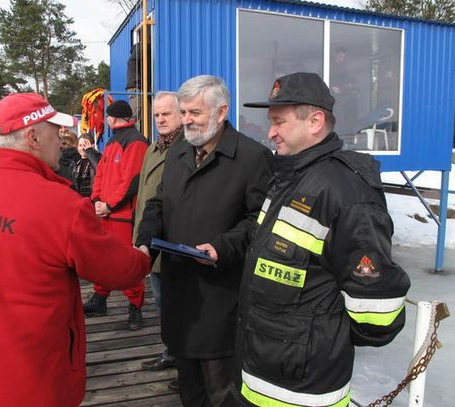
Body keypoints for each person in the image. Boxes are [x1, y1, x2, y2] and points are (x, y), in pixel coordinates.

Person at [0, 92, 150, 407]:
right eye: (56, 132)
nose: (62, 139)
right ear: (33, 137)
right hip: (34, 380)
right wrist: (145, 252)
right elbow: (120, 270)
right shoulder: (61, 206)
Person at [233, 72, 411, 407]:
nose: (270, 132)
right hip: (259, 375)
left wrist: (320, 336)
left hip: (306, 390)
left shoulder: (346, 192)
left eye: (279, 122)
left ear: (315, 121)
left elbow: (379, 315)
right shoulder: (288, 177)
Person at [136, 75, 275, 407]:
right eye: (183, 112)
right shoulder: (178, 152)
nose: (186, 120)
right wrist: (144, 240)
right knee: (189, 391)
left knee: (223, 394)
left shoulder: (253, 157)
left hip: (222, 300)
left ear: (221, 111)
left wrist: (223, 247)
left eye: (194, 113)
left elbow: (262, 220)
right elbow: (158, 203)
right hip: (180, 295)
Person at [84, 100, 149, 330]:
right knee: (102, 259)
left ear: (112, 118)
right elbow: (100, 173)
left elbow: (132, 180)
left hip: (122, 214)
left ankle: (135, 306)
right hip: (108, 212)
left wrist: (108, 204)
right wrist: (96, 200)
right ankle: (100, 298)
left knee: (126, 261)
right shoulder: (114, 141)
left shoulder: (136, 142)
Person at [133, 92, 183, 384]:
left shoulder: (186, 147)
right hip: (151, 241)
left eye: (167, 114)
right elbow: (144, 197)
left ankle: (185, 362)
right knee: (162, 303)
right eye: (157, 115)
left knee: (179, 307)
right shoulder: (154, 147)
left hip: (173, 242)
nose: (160, 119)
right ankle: (172, 352)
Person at [71, 133, 101, 197]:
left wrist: (90, 151)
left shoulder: (98, 158)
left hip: (94, 200)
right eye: (80, 145)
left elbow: (99, 169)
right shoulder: (75, 162)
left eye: (85, 145)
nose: (82, 148)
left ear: (92, 146)